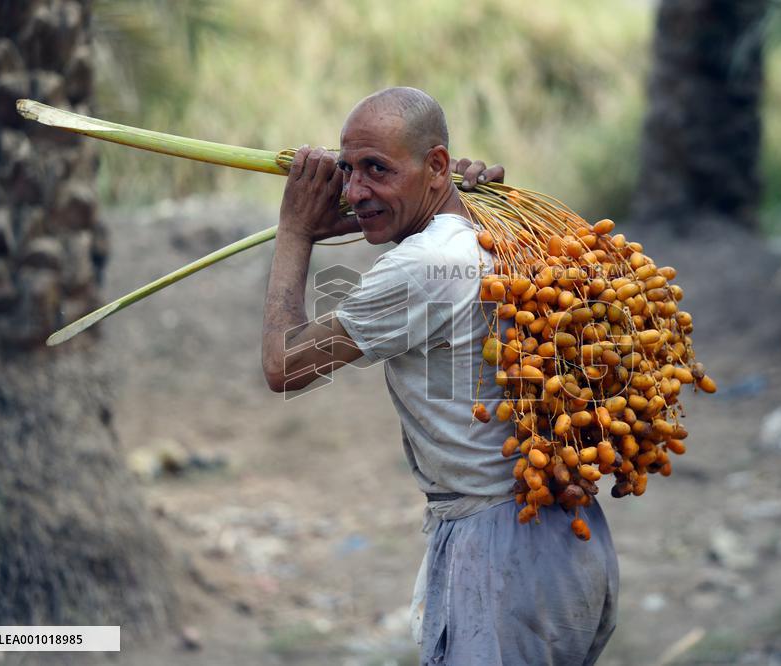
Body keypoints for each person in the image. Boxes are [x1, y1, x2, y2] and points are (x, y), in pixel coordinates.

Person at [261, 87, 618, 665]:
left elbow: (285, 365)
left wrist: (295, 232)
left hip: (503, 555)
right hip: (568, 537)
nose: (354, 192)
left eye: (377, 170)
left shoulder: (425, 266)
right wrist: (440, 195)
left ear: (436, 166)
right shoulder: (497, 231)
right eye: (347, 171)